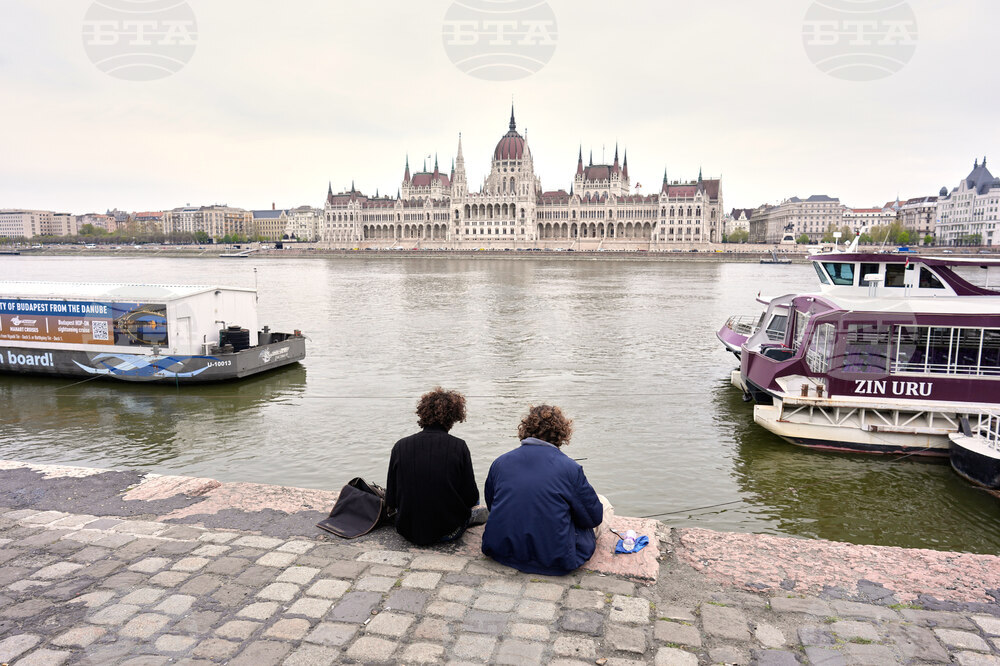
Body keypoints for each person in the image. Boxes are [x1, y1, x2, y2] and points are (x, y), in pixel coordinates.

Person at [481, 404, 604, 576]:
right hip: (555, 558)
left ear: (525, 429)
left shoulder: (500, 462)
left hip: (501, 550)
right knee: (603, 504)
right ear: (562, 433)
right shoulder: (570, 468)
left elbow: (492, 504)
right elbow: (593, 518)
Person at [385, 387, 484, 546]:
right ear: (454, 417)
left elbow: (391, 498)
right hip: (448, 531)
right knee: (477, 501)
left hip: (407, 529)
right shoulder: (459, 446)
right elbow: (471, 497)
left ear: (423, 413)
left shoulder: (400, 446)